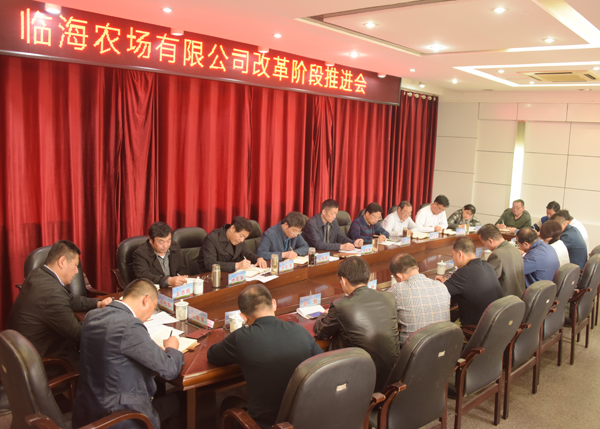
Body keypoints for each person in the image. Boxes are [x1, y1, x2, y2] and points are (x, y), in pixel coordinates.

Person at [73, 279, 184, 429]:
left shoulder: (92, 315)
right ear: (146, 300)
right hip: (121, 416)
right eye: (154, 308)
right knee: (184, 400)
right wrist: (172, 348)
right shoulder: (130, 325)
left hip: (89, 409)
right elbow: (169, 369)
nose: (149, 316)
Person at [208, 284, 322, 429]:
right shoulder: (299, 330)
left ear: (243, 317)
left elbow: (212, 355)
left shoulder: (241, 338)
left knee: (228, 402)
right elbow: (323, 362)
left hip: (264, 425)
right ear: (274, 304)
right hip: (303, 420)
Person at [7, 240, 112, 369]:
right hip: (46, 364)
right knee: (102, 361)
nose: (76, 271)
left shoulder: (38, 274)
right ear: (62, 262)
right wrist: (105, 317)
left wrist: (98, 303)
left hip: (24, 355)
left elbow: (69, 299)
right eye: (75, 265)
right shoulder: (52, 293)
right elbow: (78, 334)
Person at [313, 257, 399, 392]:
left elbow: (321, 332)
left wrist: (324, 314)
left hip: (359, 379)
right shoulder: (389, 298)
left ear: (343, 281)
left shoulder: (341, 305)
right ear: (369, 278)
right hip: (390, 377)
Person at [435, 237, 503, 326]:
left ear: (460, 254)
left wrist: (441, 283)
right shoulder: (487, 266)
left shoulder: (463, 273)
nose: (453, 260)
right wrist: (449, 281)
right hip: (495, 324)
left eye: (453, 255)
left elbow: (440, 292)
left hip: (476, 329)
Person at [388, 254, 450, 345]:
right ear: (417, 268)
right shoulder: (442, 286)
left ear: (399, 276)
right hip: (445, 348)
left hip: (414, 351)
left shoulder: (398, 289)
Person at [198, 216, 267, 272]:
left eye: (245, 237)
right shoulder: (212, 238)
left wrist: (258, 258)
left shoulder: (239, 240)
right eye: (241, 236)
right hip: (210, 277)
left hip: (232, 276)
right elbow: (210, 264)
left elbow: (247, 254)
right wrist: (236, 265)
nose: (242, 240)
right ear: (232, 228)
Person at [133, 221, 188, 288]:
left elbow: (181, 268)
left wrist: (181, 278)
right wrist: (168, 281)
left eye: (168, 241)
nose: (165, 246)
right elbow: (144, 276)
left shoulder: (174, 247)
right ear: (151, 240)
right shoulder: (141, 253)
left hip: (174, 289)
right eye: (161, 242)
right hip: (154, 290)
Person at [477, 224, 526, 297]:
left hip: (505, 299)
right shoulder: (515, 249)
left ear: (490, 241)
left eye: (484, 243)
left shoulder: (496, 255)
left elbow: (487, 281)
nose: (484, 246)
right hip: (519, 296)